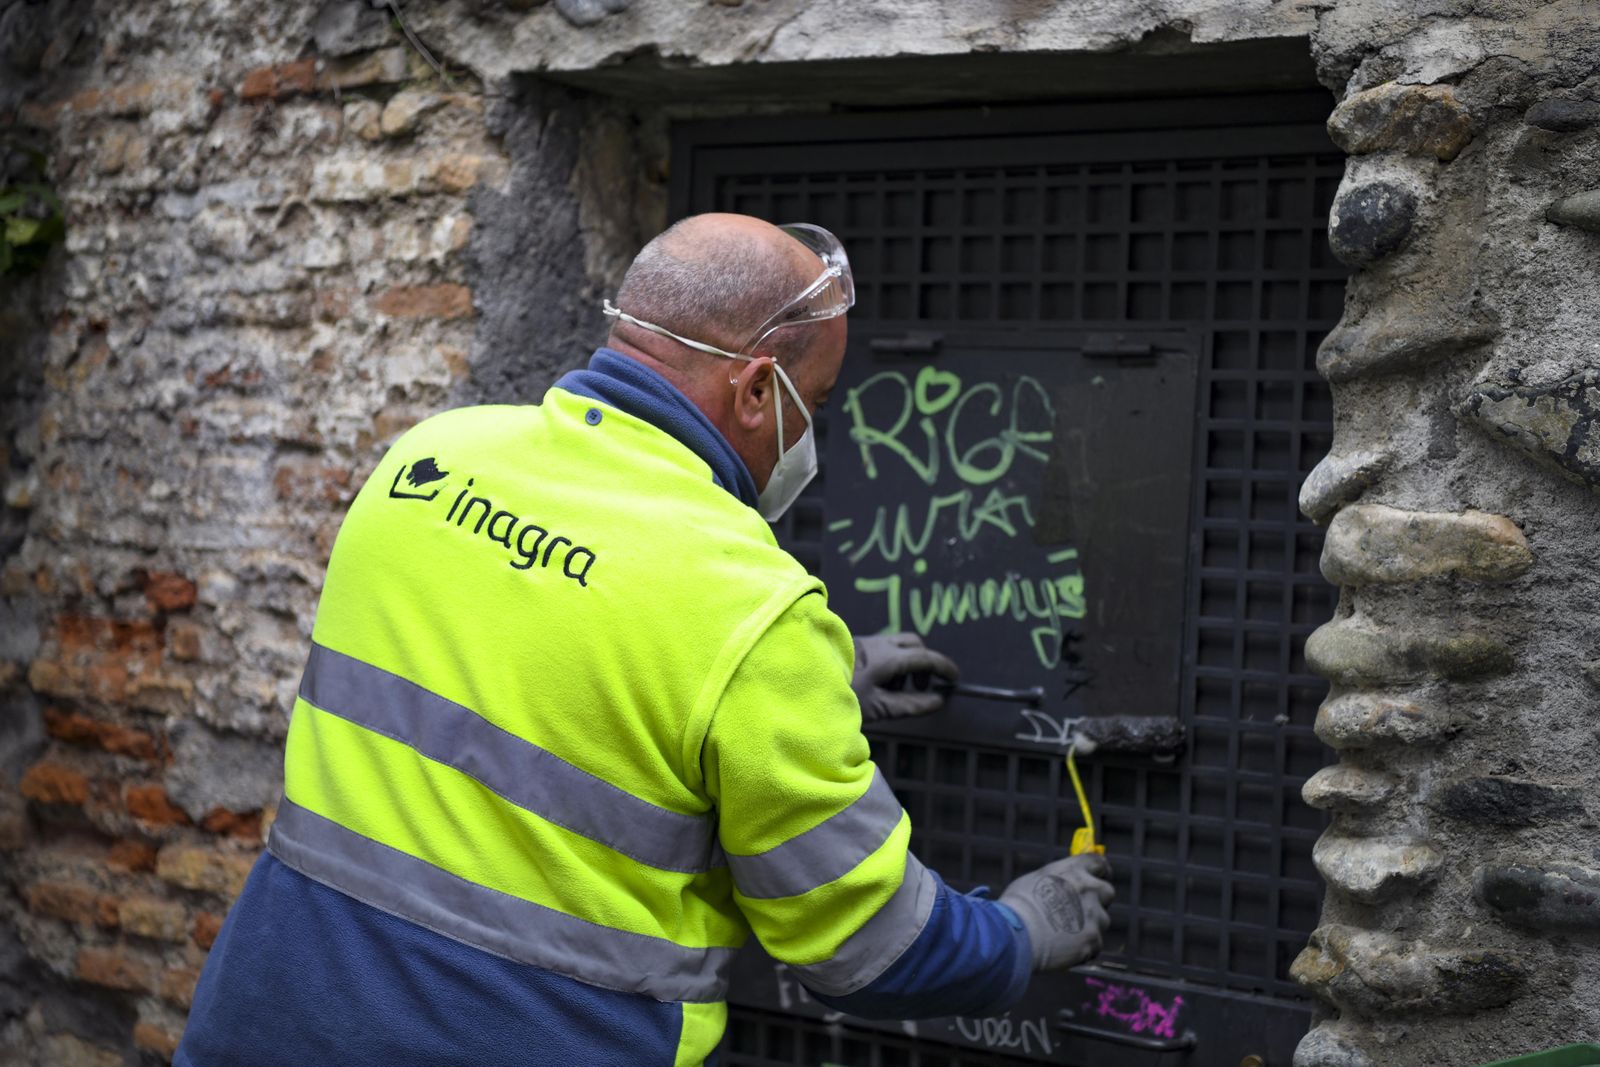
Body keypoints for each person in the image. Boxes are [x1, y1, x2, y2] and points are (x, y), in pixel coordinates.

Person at [175, 213, 1114, 1066]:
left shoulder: (430, 457)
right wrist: (1021, 932)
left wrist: (805, 685)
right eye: (817, 404)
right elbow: (866, 944)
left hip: (263, 1022)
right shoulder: (750, 606)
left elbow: (541, 640)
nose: (811, 434)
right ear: (758, 388)